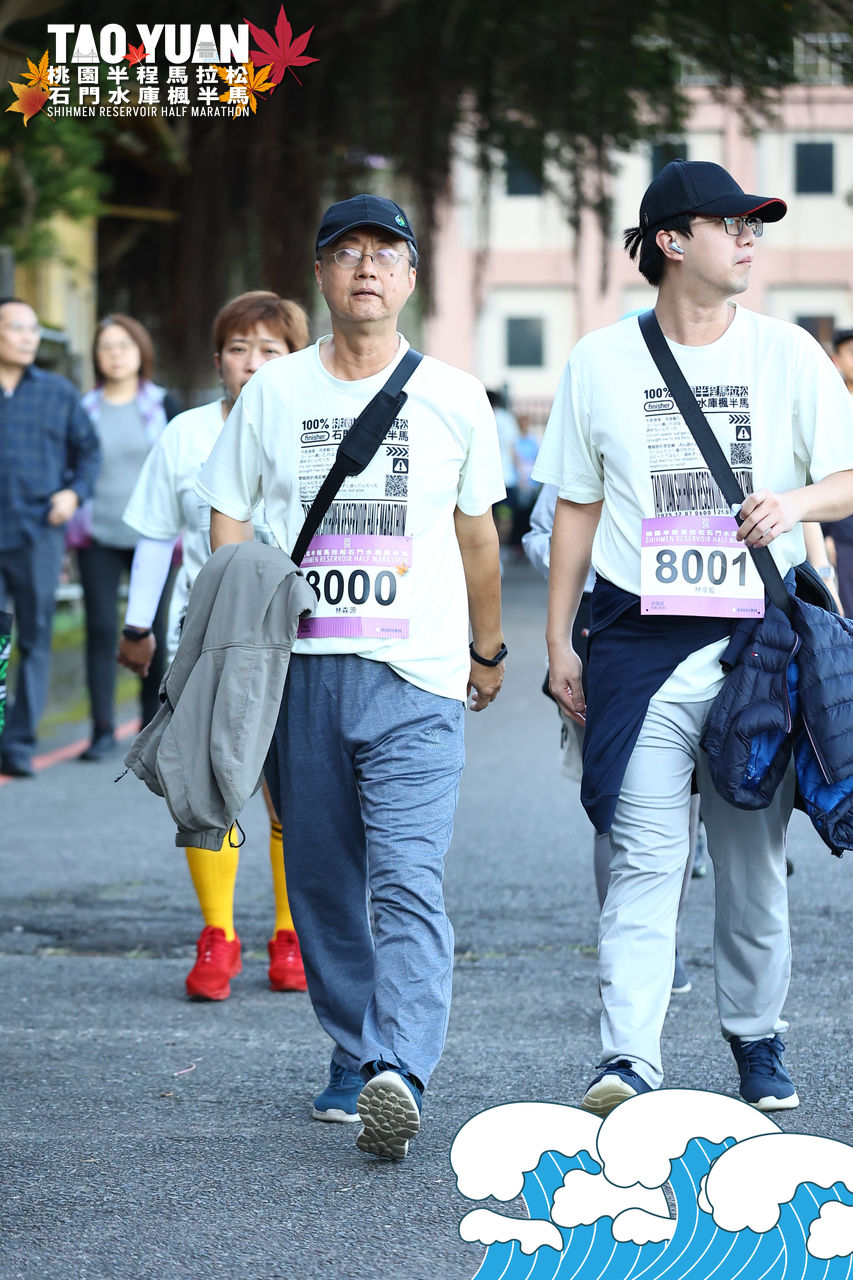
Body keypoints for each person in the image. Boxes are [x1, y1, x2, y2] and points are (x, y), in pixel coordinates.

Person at [533, 159, 853, 1117]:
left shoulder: (787, 354)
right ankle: (627, 1060)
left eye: (755, 225)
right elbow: (576, 508)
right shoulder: (598, 361)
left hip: (757, 647)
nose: (749, 239)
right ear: (671, 241)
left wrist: (793, 503)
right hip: (636, 643)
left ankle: (755, 1037)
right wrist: (557, 644)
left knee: (750, 864)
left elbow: (847, 477)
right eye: (730, 224)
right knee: (644, 855)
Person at [196, 193, 505, 1159]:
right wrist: (237, 641)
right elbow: (229, 510)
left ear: (410, 276)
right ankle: (352, 1045)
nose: (366, 266)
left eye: (385, 252)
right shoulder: (273, 393)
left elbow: (477, 536)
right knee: (325, 883)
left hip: (415, 674)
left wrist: (488, 650)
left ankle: (397, 1066)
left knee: (407, 877)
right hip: (299, 673)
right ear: (322, 274)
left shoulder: (455, 395)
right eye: (346, 252)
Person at [118, 291, 311, 1000]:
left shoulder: (315, 428)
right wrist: (137, 626)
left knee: (290, 794)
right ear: (218, 359)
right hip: (205, 640)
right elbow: (155, 535)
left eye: (270, 350)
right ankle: (218, 935)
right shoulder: (186, 434)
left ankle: (291, 935)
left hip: (297, 640)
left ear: (294, 359)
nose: (252, 363)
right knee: (207, 785)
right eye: (238, 349)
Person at [523, 482, 695, 995]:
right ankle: (624, 952)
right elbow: (540, 534)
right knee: (613, 799)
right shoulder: (590, 444)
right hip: (598, 620)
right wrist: (596, 557)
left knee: (683, 804)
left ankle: (663, 944)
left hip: (690, 617)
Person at [0, 298, 101, 778]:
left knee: (36, 637)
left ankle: (19, 743)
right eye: (16, 327)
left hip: (39, 532)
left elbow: (89, 453)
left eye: (33, 329)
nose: (28, 337)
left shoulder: (57, 392)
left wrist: (73, 494)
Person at [74, 315, 179, 760]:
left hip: (155, 536)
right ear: (96, 356)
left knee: (152, 628)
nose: (115, 354)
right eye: (106, 347)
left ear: (141, 352)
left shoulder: (163, 404)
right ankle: (101, 728)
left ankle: (149, 723)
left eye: (124, 345)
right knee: (100, 628)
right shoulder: (83, 408)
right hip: (97, 534)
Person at [821, 328, 853, 614]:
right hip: (844, 532)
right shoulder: (829, 406)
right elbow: (817, 470)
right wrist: (826, 533)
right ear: (836, 359)